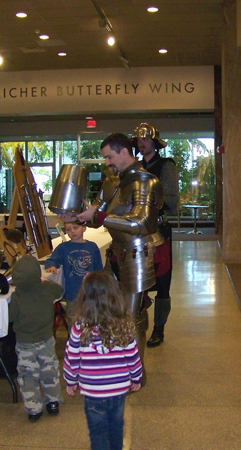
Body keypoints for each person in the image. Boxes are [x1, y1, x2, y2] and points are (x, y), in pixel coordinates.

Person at [61, 132, 163, 375]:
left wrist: (99, 216)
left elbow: (142, 224)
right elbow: (97, 219)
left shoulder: (146, 183)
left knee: (131, 316)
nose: (106, 163)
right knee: (109, 311)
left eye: (109, 157)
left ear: (124, 152)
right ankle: (116, 365)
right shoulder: (113, 183)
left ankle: (134, 373)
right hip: (116, 255)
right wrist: (76, 217)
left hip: (138, 255)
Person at [63, 271, 142, 450]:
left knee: (97, 432)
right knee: (116, 427)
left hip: (93, 392)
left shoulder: (79, 327)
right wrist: (136, 378)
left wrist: (70, 380)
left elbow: (72, 356)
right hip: (118, 389)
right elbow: (132, 355)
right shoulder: (121, 325)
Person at [132, 123, 179, 348]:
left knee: (162, 282)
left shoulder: (166, 166)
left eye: (146, 140)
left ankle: (159, 328)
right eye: (139, 140)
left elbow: (172, 202)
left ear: (154, 142)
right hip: (137, 231)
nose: (142, 144)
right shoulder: (134, 167)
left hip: (159, 230)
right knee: (136, 279)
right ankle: (139, 323)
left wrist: (148, 198)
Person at [8, 254, 65, 422]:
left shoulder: (16, 297)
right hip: (46, 339)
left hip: (25, 344)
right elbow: (60, 290)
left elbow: (10, 317)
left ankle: (34, 408)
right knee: (50, 372)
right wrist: (44, 280)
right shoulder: (46, 289)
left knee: (28, 377)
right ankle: (53, 402)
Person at [43, 221, 103, 323]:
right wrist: (51, 266)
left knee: (93, 320)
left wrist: (100, 289)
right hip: (73, 294)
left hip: (91, 293)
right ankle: (73, 338)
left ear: (84, 228)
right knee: (73, 321)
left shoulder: (92, 247)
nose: (72, 231)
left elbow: (99, 270)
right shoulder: (63, 248)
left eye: (75, 228)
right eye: (68, 229)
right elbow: (52, 260)